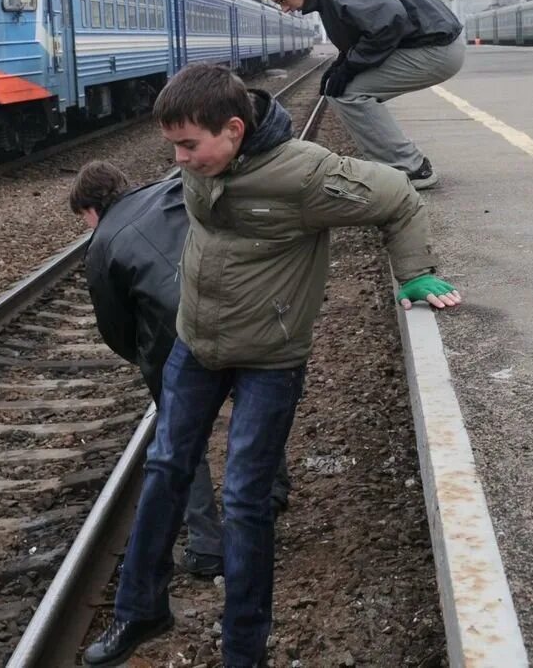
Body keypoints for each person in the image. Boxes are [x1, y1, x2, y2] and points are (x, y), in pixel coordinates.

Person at [83, 64, 462, 668]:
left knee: (245, 497)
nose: (178, 159)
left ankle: (244, 649)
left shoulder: (305, 175)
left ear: (234, 130)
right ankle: (141, 610)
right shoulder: (205, 163)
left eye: (188, 145)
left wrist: (413, 273)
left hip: (268, 359)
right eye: (173, 146)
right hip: (196, 345)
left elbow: (397, 197)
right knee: (164, 468)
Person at [70, 161, 293, 580]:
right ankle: (271, 492)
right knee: (253, 396)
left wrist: (146, 358)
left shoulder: (100, 244)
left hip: (178, 339)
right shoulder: (171, 192)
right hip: (238, 303)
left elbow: (115, 329)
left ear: (91, 209)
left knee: (181, 436)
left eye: (83, 220)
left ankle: (207, 546)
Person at [257, 0, 466, 190]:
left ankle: (411, 169)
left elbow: (389, 20)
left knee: (349, 94)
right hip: (430, 45)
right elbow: (365, 28)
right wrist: (342, 63)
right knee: (342, 89)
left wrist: (351, 66)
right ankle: (398, 164)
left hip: (437, 49)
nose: (284, 8)